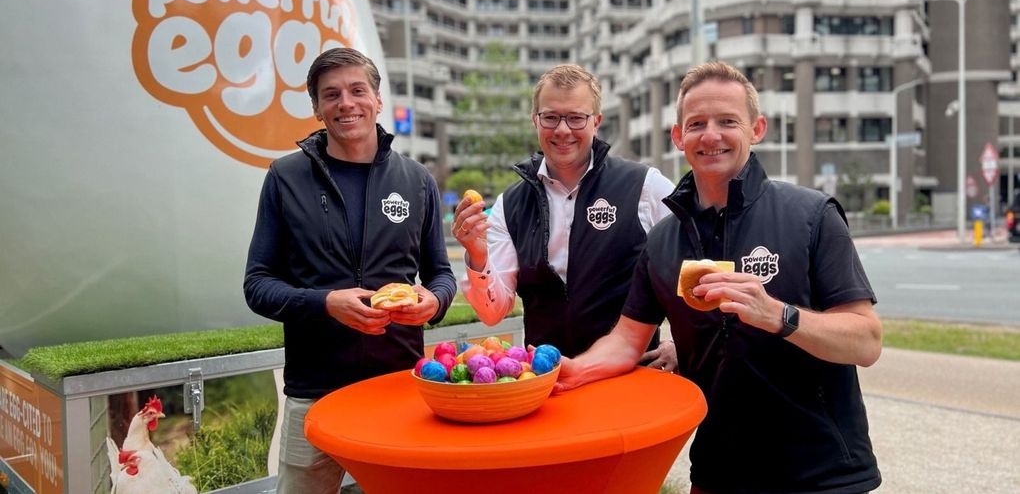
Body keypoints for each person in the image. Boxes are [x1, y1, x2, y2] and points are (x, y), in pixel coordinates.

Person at [557, 61, 882, 494]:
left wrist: (777, 314)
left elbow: (866, 341)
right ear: (678, 137)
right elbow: (627, 340)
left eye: (727, 121)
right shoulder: (662, 240)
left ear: (757, 129)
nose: (711, 136)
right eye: (696, 124)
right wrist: (574, 371)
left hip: (821, 475)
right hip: (716, 470)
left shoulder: (811, 215)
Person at [244, 47, 456, 493]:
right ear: (317, 109)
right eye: (331, 95)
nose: (346, 103)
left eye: (358, 90)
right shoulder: (285, 178)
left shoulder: (416, 181)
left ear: (378, 100)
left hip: (398, 387)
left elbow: (441, 273)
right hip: (313, 392)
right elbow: (257, 284)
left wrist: (434, 301)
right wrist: (324, 303)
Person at [453, 64, 677, 367]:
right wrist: (477, 257)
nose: (562, 129)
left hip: (628, 376)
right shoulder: (511, 203)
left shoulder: (644, 186)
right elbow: (493, 313)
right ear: (535, 120)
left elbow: (695, 264)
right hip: (544, 380)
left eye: (575, 118)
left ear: (596, 122)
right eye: (550, 117)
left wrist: (678, 343)